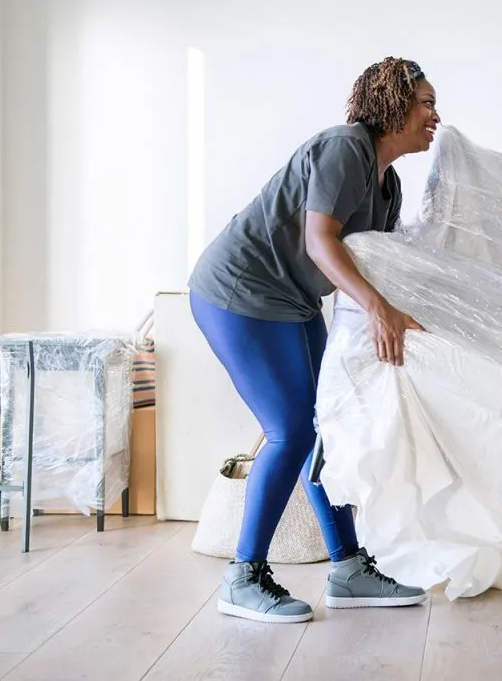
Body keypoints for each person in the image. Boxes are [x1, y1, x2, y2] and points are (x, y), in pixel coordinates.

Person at [187, 57, 441, 623]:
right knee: (291, 429)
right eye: (425, 103)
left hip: (292, 299)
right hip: (239, 290)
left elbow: (377, 264)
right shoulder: (344, 147)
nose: (435, 115)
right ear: (394, 106)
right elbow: (321, 240)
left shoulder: (388, 183)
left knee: (328, 423)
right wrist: (379, 311)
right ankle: (242, 576)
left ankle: (348, 567)